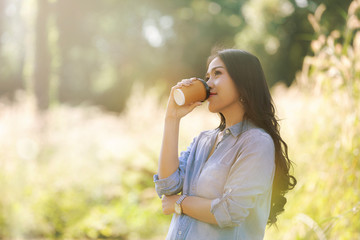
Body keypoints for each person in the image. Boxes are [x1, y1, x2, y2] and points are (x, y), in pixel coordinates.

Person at [153, 48, 296, 239]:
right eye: (207, 76)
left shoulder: (256, 142)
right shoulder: (203, 140)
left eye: (217, 73)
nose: (208, 83)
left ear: (243, 80)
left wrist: (180, 203)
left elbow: (230, 211)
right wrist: (172, 118)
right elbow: (167, 187)